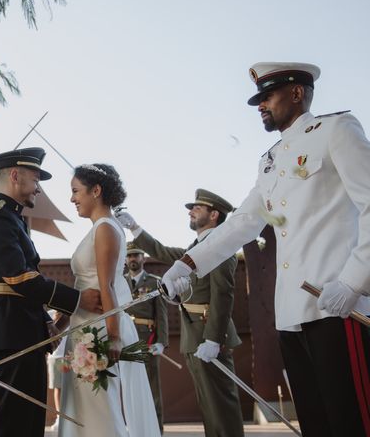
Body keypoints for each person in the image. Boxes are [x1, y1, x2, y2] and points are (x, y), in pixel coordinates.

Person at [160, 62, 370, 436]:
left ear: (296, 93)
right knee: (317, 424)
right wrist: (187, 265)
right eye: (258, 99)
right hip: (292, 314)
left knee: (351, 421)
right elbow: (243, 223)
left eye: (267, 96)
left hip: (338, 306)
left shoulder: (336, 130)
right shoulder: (269, 162)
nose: (260, 105)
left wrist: (354, 281)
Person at [0, 147, 102, 437]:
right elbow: (19, 278)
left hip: (21, 329)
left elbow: (26, 281)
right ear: (15, 176)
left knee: (30, 421)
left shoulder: (14, 220)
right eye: (35, 179)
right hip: (9, 331)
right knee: (12, 422)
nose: (39, 189)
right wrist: (78, 299)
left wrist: (44, 319)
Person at [117, 190, 244, 436]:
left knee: (221, 405)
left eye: (198, 207)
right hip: (195, 334)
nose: (190, 211)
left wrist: (214, 339)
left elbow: (223, 294)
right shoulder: (196, 247)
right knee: (209, 405)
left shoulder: (221, 244)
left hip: (209, 333)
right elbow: (163, 252)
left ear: (214, 214)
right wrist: (135, 227)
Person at [59, 163, 160, 437]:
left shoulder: (106, 228)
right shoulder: (98, 229)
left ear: (96, 190)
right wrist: (61, 325)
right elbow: (84, 286)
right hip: (82, 328)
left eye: (75, 191)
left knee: (98, 410)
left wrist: (113, 336)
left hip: (96, 331)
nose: (71, 198)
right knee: (82, 409)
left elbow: (108, 286)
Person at [123, 241, 169, 434]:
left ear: (143, 258)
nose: (133, 259)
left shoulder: (154, 281)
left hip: (146, 340)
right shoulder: (119, 281)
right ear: (125, 259)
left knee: (151, 388)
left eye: (136, 255)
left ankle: (156, 431)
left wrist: (161, 342)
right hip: (125, 340)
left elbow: (162, 314)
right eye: (130, 256)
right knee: (128, 386)